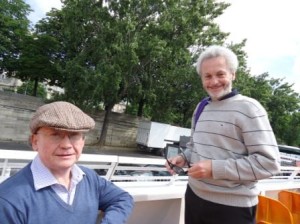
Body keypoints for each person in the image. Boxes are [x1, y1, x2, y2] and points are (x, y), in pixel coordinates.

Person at [165, 45, 281, 224]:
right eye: (207, 76)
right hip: (194, 196)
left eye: (220, 74)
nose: (214, 82)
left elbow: (269, 164)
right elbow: (195, 146)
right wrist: (183, 157)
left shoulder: (249, 108)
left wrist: (214, 168)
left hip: (232, 208)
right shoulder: (201, 107)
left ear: (233, 74)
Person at [0, 101, 134, 224]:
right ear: (35, 142)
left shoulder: (88, 178)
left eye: (74, 135)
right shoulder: (9, 200)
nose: (66, 145)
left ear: (83, 142)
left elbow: (122, 198)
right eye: (55, 135)